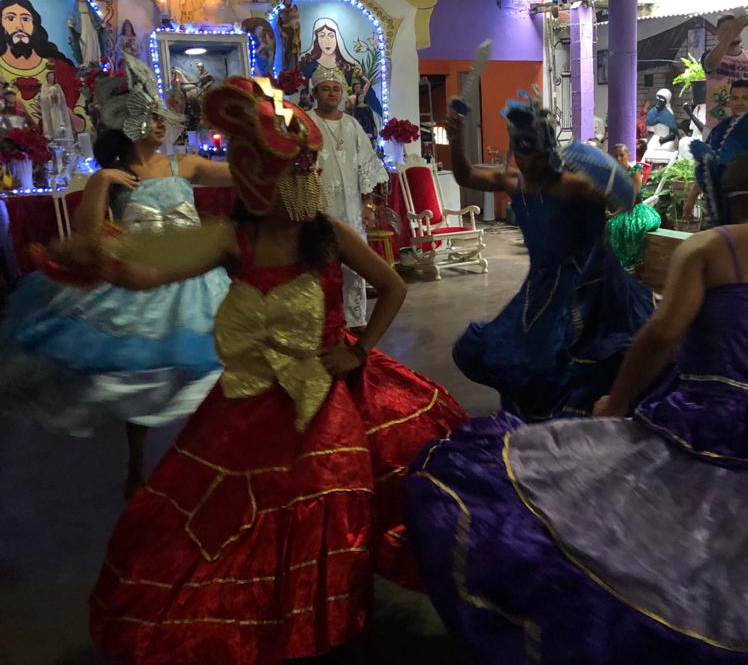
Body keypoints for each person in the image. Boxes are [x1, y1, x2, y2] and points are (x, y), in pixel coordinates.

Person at [407, 117, 748, 663]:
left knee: (591, 521)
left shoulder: (713, 246)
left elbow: (661, 335)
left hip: (715, 433)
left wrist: (616, 406)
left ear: (721, 192)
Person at [85, 76, 467, 664]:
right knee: (232, 516)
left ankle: (327, 623)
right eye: (295, 173)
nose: (306, 183)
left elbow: (392, 286)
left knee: (328, 494)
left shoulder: (329, 235)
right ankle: (266, 625)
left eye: (305, 173)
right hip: (250, 396)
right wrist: (93, 226)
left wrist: (360, 350)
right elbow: (142, 273)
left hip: (327, 390)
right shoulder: (232, 239)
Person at [0, 56, 232, 495]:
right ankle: (137, 463)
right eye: (151, 117)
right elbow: (86, 236)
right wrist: (103, 181)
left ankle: (212, 460)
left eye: (162, 117)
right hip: (139, 278)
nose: (160, 124)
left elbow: (245, 175)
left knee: (216, 375)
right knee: (138, 377)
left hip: (196, 278)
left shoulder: (185, 164)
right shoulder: (112, 176)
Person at [447, 92, 653, 420]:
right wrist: (456, 140)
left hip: (586, 283)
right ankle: (542, 413)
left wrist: (615, 178)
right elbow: (465, 176)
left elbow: (622, 199)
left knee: (571, 355)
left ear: (548, 152)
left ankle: (574, 414)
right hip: (541, 281)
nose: (528, 163)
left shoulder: (573, 185)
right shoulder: (511, 181)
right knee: (517, 349)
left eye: (536, 155)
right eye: (521, 154)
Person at [307, 64, 389, 330]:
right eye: (325, 89)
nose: (331, 93)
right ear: (315, 93)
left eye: (336, 89)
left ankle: (355, 322)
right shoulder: (305, 123)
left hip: (353, 209)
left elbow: (367, 166)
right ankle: (322, 323)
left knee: (355, 267)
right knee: (319, 266)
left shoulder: (352, 125)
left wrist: (368, 205)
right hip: (319, 209)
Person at [683, 79, 748, 222]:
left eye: (745, 98)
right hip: (729, 206)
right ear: (730, 101)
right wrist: (691, 200)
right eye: (735, 98)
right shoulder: (719, 131)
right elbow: (707, 166)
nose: (739, 103)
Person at [0, 0, 86, 132]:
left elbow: (85, 125)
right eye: (10, 18)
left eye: (25, 19)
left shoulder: (60, 68)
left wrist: (63, 113)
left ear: (34, 26)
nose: (19, 26)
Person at [702, 13, 748, 135]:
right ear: (717, 35)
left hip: (744, 129)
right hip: (715, 129)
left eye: (736, 28)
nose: (733, 31)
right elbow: (710, 64)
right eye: (726, 30)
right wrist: (732, 32)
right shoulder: (710, 56)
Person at [607, 142, 661, 270]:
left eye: (622, 155)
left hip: (632, 209)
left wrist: (614, 214)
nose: (619, 158)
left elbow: (632, 198)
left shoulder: (635, 171)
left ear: (628, 155)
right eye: (615, 156)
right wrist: (606, 210)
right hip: (617, 208)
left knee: (614, 226)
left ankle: (622, 263)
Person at [643, 87, 678, 162]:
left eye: (661, 100)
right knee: (649, 150)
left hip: (666, 139)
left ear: (666, 102)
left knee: (663, 153)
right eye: (657, 99)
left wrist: (664, 140)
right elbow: (650, 129)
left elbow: (673, 134)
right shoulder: (652, 112)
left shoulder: (668, 113)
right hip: (655, 137)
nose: (658, 102)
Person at [39, 65, 73, 140]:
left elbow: (62, 98)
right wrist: (50, 96)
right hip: (50, 110)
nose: (52, 77)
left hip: (58, 108)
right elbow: (43, 98)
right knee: (52, 122)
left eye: (53, 76)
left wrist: (57, 96)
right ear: (47, 77)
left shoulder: (57, 86)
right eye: (50, 76)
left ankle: (62, 135)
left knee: (60, 121)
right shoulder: (44, 87)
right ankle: (52, 136)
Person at [277, 0, 301, 72]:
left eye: (289, 1)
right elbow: (279, 24)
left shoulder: (294, 11)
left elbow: (297, 22)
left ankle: (295, 69)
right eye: (286, 1)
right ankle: (286, 68)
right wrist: (282, 32)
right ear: (284, 2)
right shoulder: (281, 12)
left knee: (294, 52)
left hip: (293, 34)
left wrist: (296, 29)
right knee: (286, 51)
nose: (288, 2)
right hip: (286, 35)